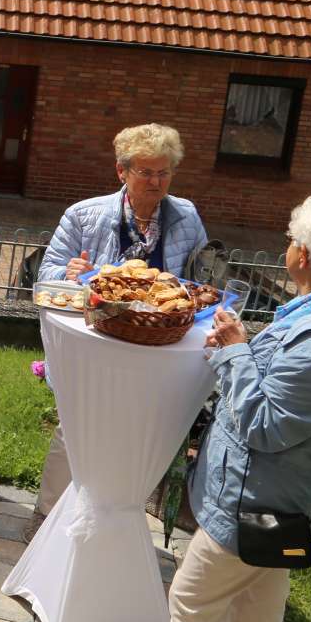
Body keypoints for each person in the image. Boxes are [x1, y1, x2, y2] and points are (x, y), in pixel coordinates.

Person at [168, 194, 311, 622]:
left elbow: (265, 426)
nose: (285, 246)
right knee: (255, 613)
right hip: (284, 499)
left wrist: (234, 351)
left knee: (192, 605)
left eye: (290, 239)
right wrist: (241, 352)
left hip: (252, 502)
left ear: (303, 255)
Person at [32, 123, 210, 524]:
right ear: (122, 172)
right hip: (99, 344)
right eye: (145, 172)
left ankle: (112, 517)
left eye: (164, 172)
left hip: (158, 349)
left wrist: (201, 288)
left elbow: (199, 281)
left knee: (140, 436)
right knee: (77, 429)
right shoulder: (85, 215)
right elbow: (46, 276)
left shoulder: (186, 216)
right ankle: (46, 517)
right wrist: (70, 272)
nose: (156, 181)